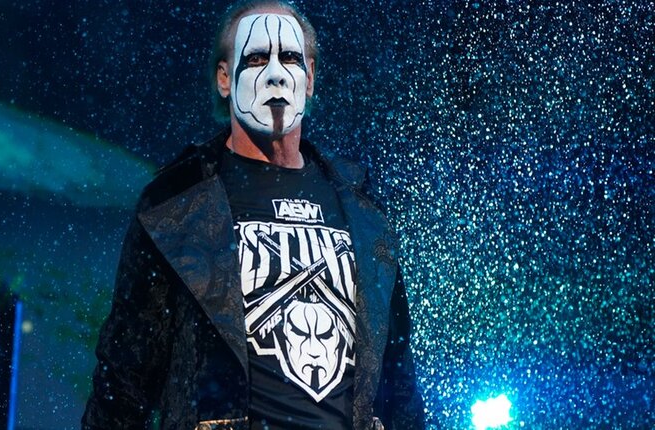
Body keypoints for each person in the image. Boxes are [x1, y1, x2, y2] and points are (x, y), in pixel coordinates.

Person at [82, 1, 425, 429]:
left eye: (291, 58)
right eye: (258, 58)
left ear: (310, 78)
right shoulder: (178, 202)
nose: (276, 74)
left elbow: (397, 378)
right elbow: (124, 377)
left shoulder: (361, 206)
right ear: (224, 78)